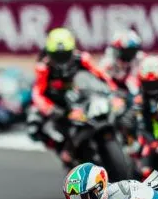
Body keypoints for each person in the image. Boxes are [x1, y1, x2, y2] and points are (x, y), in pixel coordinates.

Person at [27, 28, 118, 167]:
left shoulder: (82, 59)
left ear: (73, 50)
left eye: (65, 55)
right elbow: (37, 93)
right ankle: (63, 149)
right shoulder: (43, 67)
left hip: (81, 99)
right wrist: (51, 109)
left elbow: (101, 75)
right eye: (57, 56)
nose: (61, 60)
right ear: (49, 53)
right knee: (34, 123)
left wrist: (113, 92)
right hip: (57, 105)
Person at [99, 29, 145, 94]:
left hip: (134, 90)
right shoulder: (108, 61)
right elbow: (101, 79)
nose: (130, 54)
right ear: (117, 50)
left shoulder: (140, 58)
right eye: (127, 51)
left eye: (133, 51)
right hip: (113, 91)